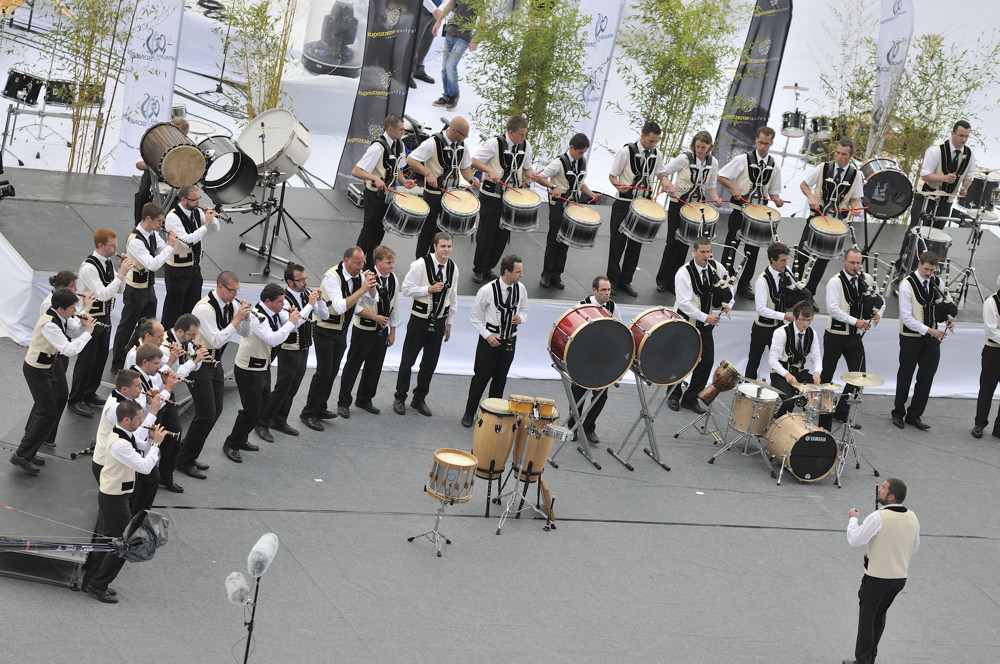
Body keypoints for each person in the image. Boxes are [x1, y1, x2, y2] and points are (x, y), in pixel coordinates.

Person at [82, 400, 166, 603]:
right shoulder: (119, 443)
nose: (141, 421)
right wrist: (156, 445)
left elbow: (141, 451)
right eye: (139, 418)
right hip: (114, 498)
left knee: (109, 539)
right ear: (127, 419)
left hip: (118, 495)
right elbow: (145, 467)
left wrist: (150, 440)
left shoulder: (125, 435)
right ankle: (98, 584)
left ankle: (90, 580)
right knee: (125, 543)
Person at [176, 271, 252, 479]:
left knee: (215, 410)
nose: (236, 294)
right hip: (199, 364)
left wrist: (245, 318)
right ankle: (184, 459)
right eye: (232, 290)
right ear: (220, 287)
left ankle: (186, 452)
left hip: (215, 364)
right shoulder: (203, 309)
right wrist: (237, 320)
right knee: (206, 412)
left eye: (237, 290)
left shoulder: (232, 306)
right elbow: (217, 340)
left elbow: (246, 334)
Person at [11, 289, 96, 474]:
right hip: (36, 371)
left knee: (55, 403)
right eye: (73, 307)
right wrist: (88, 332)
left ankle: (29, 450)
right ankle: (22, 454)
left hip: (47, 367)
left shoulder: (61, 317)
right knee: (48, 412)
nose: (75, 309)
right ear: (60, 308)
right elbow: (68, 349)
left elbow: (72, 331)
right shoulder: (49, 324)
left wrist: (82, 324)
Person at [299, 247, 376, 432]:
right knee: (323, 372)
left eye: (363, 262)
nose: (361, 266)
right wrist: (362, 289)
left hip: (341, 331)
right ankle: (308, 412)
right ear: (346, 260)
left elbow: (373, 301)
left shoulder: (360, 277)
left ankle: (320, 407)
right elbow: (340, 307)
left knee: (332, 372)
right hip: (324, 329)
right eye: (357, 263)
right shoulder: (332, 276)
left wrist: (371, 287)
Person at [844, 478, 920, 664]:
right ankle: (871, 657)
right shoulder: (912, 517)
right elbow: (915, 547)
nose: (880, 490)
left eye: (884, 488)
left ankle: (863, 661)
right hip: (898, 579)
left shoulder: (878, 517)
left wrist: (853, 520)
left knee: (867, 620)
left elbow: (854, 540)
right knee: (879, 617)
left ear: (891, 496)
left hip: (877, 578)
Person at [223, 283, 301, 463]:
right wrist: (290, 322)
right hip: (248, 369)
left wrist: (300, 313)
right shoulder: (257, 317)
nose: (284, 304)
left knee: (263, 406)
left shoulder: (276, 313)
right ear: (268, 301)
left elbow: (295, 322)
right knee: (251, 409)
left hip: (262, 367)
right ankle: (232, 443)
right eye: (280, 301)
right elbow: (273, 340)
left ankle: (242, 438)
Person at [67, 229, 132, 418]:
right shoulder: (89, 267)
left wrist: (122, 272)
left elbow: (119, 290)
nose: (116, 249)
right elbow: (102, 294)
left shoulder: (107, 263)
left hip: (105, 317)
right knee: (86, 360)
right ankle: (76, 398)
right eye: (112, 245)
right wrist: (120, 274)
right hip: (91, 317)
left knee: (100, 357)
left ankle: (89, 393)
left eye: (116, 245)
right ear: (100, 245)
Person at [257, 263, 323, 442]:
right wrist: (310, 305)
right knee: (282, 388)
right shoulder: (284, 300)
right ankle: (262, 422)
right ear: (290, 282)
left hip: (304, 348)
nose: (304, 282)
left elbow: (324, 315)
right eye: (300, 280)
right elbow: (293, 323)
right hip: (289, 350)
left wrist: (320, 301)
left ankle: (279, 419)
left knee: (293, 388)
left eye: (305, 278)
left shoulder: (307, 295)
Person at [819, 248, 884, 431]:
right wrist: (855, 321)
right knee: (827, 375)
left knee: (859, 376)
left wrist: (877, 314)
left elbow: (880, 300)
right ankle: (822, 411)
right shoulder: (835, 282)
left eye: (858, 263)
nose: (856, 266)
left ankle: (842, 411)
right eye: (852, 263)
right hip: (835, 336)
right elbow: (832, 309)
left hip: (854, 338)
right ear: (844, 262)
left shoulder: (866, 279)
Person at [394, 232, 457, 416]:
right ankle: (400, 397)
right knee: (408, 360)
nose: (447, 250)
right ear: (435, 246)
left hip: (439, 321)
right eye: (443, 246)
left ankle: (419, 398)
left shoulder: (453, 268)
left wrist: (449, 322)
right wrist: (427, 289)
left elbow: (452, 297)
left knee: (430, 362)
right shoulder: (420, 264)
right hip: (419, 320)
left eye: (449, 246)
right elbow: (405, 289)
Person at [461, 254, 528, 427]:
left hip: (510, 341)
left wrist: (521, 317)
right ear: (507, 272)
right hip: (489, 341)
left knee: (500, 379)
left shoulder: (521, 289)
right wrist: (487, 335)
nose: (521, 275)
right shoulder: (487, 290)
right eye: (518, 272)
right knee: (480, 378)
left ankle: (492, 414)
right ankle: (469, 413)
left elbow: (525, 310)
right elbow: (475, 316)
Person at [717, 126, 783, 299]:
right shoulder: (742, 159)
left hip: (759, 215)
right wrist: (734, 187)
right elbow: (721, 175)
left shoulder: (774, 165)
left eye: (766, 144)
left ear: (771, 143)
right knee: (731, 244)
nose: (762, 146)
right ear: (756, 140)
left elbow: (774, 191)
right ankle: (724, 277)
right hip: (740, 210)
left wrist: (777, 200)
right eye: (760, 142)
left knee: (752, 250)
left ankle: (744, 284)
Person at [668, 236, 733, 413]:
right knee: (681, 359)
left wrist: (727, 305)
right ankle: (673, 394)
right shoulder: (683, 273)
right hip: (686, 322)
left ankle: (691, 397)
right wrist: (705, 317)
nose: (706, 255)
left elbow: (728, 289)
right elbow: (684, 303)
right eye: (703, 252)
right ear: (694, 251)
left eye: (708, 252)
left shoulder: (716, 267)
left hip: (705, 324)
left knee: (707, 361)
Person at [792, 138, 863, 298]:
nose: (839, 156)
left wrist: (855, 207)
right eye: (837, 153)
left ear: (850, 156)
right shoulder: (823, 167)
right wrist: (811, 196)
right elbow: (804, 184)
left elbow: (854, 198)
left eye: (843, 154)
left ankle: (809, 295)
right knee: (802, 254)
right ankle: (792, 289)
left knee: (822, 260)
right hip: (816, 217)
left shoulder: (856, 175)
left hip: (836, 224)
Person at [606, 121, 671, 297]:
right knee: (617, 245)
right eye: (650, 141)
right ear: (642, 135)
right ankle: (612, 280)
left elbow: (661, 172)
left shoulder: (656, 154)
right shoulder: (626, 152)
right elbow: (612, 175)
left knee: (636, 246)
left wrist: (665, 180)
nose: (652, 145)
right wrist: (619, 186)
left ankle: (625, 280)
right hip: (624, 202)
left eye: (655, 142)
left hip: (643, 206)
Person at [470, 115, 537, 283]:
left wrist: (536, 177)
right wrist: (489, 170)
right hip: (492, 195)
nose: (523, 138)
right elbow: (474, 160)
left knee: (503, 234)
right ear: (510, 132)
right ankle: (478, 268)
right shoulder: (494, 144)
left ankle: (489, 267)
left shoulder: (526, 146)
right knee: (487, 233)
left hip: (512, 197)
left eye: (524, 134)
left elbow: (527, 168)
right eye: (521, 134)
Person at [110, 202, 176, 374]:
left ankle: (137, 354)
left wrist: (169, 245)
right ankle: (118, 362)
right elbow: (153, 264)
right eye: (159, 221)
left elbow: (161, 248)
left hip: (148, 287)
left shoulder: (152, 233)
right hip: (135, 289)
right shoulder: (135, 241)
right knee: (127, 325)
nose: (160, 225)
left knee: (147, 325)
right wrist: (170, 246)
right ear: (148, 219)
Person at [892, 251, 954, 430]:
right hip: (910, 337)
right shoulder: (906, 285)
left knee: (926, 376)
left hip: (931, 338)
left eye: (932, 270)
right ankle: (898, 412)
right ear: (919, 264)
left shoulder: (938, 283)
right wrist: (930, 331)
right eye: (926, 269)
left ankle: (915, 415)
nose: (928, 273)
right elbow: (906, 317)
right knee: (905, 374)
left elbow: (942, 306)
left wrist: (948, 320)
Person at [405, 115, 481, 258]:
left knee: (443, 233)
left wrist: (472, 180)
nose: (466, 138)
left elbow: (465, 169)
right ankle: (421, 262)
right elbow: (411, 159)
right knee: (427, 232)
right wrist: (427, 173)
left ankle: (436, 262)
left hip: (451, 196)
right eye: (464, 135)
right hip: (433, 194)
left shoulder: (463, 146)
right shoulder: (432, 143)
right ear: (454, 131)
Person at [338, 245, 399, 418]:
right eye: (388, 262)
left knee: (374, 367)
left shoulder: (393, 278)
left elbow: (395, 305)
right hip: (363, 330)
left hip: (381, 331)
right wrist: (374, 318)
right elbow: (354, 307)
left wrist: (392, 331)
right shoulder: (364, 277)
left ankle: (365, 398)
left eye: (393, 262)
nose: (391, 266)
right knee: (353, 365)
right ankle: (343, 402)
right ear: (377, 262)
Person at [655, 130, 719, 293]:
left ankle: (676, 280)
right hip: (678, 204)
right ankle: (663, 279)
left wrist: (716, 197)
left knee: (685, 244)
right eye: (697, 146)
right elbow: (663, 172)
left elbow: (711, 186)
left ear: (709, 146)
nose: (699, 150)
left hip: (696, 208)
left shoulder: (714, 162)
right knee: (672, 242)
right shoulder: (683, 158)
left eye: (703, 147)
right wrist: (666, 182)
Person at [351, 114, 415, 261]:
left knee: (380, 232)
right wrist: (374, 177)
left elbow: (396, 168)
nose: (403, 132)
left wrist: (404, 181)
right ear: (390, 129)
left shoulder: (399, 145)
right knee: (368, 230)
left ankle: (371, 264)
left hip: (388, 196)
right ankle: (356, 261)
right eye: (400, 129)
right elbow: (356, 171)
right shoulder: (377, 148)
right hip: (374, 196)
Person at [565, 276, 620, 444]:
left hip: (602, 359)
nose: (607, 293)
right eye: (603, 290)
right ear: (594, 290)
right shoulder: (581, 306)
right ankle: (573, 426)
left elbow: (619, 328)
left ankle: (589, 427)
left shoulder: (612, 306)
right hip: (584, 357)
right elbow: (572, 331)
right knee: (578, 392)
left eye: (609, 289)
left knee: (601, 396)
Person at [537, 132, 596, 289]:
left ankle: (557, 274)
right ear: (571, 148)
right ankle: (546, 274)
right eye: (580, 152)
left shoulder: (582, 162)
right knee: (554, 239)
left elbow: (580, 183)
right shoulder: (559, 163)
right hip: (558, 205)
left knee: (566, 241)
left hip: (572, 207)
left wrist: (591, 194)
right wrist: (553, 187)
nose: (582, 155)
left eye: (584, 152)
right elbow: (539, 177)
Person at [128, 343, 180, 512]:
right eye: (157, 364)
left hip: (141, 429)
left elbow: (147, 401)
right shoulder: (136, 379)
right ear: (145, 362)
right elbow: (144, 407)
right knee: (147, 479)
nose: (160, 367)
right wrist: (168, 389)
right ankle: (135, 516)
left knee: (148, 479)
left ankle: (136, 514)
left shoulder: (144, 376)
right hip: (136, 431)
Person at [161, 184, 220, 330]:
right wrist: (205, 225)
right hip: (177, 270)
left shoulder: (196, 212)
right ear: (183, 200)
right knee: (173, 309)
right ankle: (168, 339)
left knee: (192, 308)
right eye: (193, 200)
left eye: (198, 199)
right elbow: (187, 242)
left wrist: (211, 217)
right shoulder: (173, 217)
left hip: (193, 267)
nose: (197, 203)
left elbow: (216, 229)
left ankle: (187, 340)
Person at [909, 120, 975, 230]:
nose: (964, 140)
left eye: (967, 137)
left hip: (946, 203)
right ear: (952, 133)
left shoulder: (969, 154)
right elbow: (924, 175)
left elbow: (969, 176)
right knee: (915, 233)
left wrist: (965, 187)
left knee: (936, 237)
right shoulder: (936, 150)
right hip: (926, 199)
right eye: (961, 136)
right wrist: (944, 178)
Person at [746, 241, 796, 380]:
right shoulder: (762, 281)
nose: (786, 264)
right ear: (772, 260)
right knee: (754, 361)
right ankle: (747, 388)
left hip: (778, 327)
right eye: (782, 260)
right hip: (762, 328)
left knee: (780, 361)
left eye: (786, 260)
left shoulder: (786, 271)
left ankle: (780, 389)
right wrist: (784, 315)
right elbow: (761, 309)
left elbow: (793, 288)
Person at [767, 300, 822, 418]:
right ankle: (777, 422)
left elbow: (816, 357)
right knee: (788, 401)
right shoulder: (781, 333)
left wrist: (817, 372)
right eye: (802, 319)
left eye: (809, 320)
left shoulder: (812, 334)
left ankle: (823, 430)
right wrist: (786, 374)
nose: (805, 324)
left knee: (822, 397)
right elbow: (772, 360)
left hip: (799, 372)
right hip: (780, 373)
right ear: (795, 318)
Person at [134, 116, 189, 223]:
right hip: (153, 173)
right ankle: (138, 223)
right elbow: (139, 164)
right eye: (184, 135)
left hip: (175, 176)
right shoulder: (156, 141)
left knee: (188, 194)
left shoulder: (186, 145)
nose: (185, 137)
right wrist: (158, 165)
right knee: (142, 193)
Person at [432, 0, 481, 111]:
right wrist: (438, 22)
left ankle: (454, 95)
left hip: (463, 37)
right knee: (444, 68)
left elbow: (483, 18)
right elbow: (450, 5)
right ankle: (446, 96)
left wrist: (476, 39)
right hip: (450, 33)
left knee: (450, 66)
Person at [972, 284, 1000, 439]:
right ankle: (980, 423)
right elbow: (991, 330)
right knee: (987, 389)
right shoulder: (992, 302)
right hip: (994, 352)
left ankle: (999, 429)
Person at [410, 1, 443, 87]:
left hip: (436, 16)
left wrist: (440, 10)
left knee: (426, 43)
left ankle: (418, 70)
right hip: (422, 11)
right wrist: (434, 10)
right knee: (414, 43)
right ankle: (407, 73)